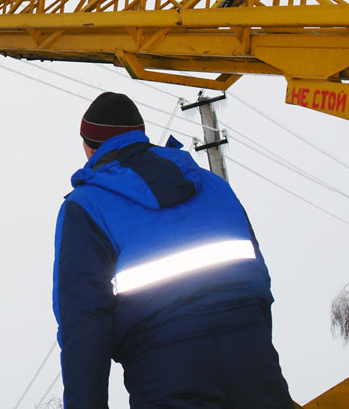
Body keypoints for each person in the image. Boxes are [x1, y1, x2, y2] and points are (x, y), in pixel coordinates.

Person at [52, 92, 293, 408]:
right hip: (251, 350)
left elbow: (83, 322)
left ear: (89, 147)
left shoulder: (86, 206)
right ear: (140, 132)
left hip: (164, 366)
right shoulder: (212, 184)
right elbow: (257, 275)